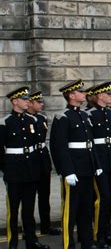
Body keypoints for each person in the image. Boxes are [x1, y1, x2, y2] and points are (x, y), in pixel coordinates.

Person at [50, 80, 107, 249]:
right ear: (71, 95)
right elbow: (60, 147)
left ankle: (88, 244)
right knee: (71, 210)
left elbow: (91, 145)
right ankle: (69, 247)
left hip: (87, 168)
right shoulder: (63, 117)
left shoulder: (84, 116)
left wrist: (97, 166)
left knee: (86, 208)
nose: (84, 94)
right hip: (74, 170)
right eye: (80, 91)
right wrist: (67, 171)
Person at [0, 87, 50, 249]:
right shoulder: (5, 122)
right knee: (13, 210)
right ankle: (12, 244)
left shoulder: (32, 120)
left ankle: (31, 241)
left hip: (30, 170)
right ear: (15, 101)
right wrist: (6, 170)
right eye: (24, 99)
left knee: (28, 209)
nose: (28, 101)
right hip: (14, 171)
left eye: (29, 99)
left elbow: (37, 145)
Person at [86, 82, 111, 248]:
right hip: (99, 160)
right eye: (108, 94)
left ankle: (108, 233)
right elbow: (91, 143)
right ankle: (98, 235)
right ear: (100, 96)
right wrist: (96, 163)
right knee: (101, 199)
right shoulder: (90, 115)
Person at [27, 91, 61, 236]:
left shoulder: (43, 118)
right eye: (39, 102)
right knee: (29, 197)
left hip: (43, 158)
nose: (42, 104)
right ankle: (28, 229)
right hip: (31, 159)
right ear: (30, 103)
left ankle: (46, 226)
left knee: (44, 195)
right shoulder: (25, 119)